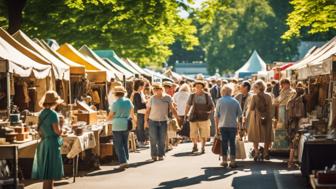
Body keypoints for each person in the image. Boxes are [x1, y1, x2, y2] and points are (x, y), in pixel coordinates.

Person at [32, 91, 64, 189]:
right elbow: (57, 132)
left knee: (47, 174)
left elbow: (40, 132)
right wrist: (62, 125)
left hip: (43, 144)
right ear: (54, 102)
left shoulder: (41, 114)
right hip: (52, 144)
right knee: (51, 173)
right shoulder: (53, 114)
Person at [145, 83, 179, 161]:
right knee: (153, 139)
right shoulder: (152, 98)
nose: (155, 91)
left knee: (162, 139)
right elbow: (147, 111)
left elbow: (172, 108)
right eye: (154, 89)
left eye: (157, 89)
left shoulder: (168, 97)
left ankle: (161, 154)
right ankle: (154, 155)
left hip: (163, 121)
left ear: (161, 89)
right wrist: (145, 122)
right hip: (152, 121)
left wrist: (177, 117)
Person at [107, 86, 135, 169]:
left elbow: (110, 116)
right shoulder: (128, 101)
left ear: (116, 94)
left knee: (119, 144)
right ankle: (126, 159)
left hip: (117, 124)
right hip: (126, 122)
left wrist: (107, 119)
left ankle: (123, 162)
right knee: (125, 143)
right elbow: (132, 112)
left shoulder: (115, 103)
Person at [215, 85, 242, 168]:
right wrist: (240, 127)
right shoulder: (235, 101)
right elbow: (240, 115)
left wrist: (217, 127)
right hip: (233, 125)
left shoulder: (219, 101)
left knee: (224, 143)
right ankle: (233, 162)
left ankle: (224, 161)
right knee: (232, 143)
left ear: (222, 92)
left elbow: (216, 116)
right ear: (231, 92)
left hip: (222, 125)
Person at [184, 80, 214, 154]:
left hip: (204, 117)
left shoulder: (207, 95)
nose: (198, 87)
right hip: (194, 116)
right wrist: (185, 115)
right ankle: (195, 145)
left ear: (203, 87)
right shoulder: (192, 95)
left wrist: (209, 112)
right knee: (193, 133)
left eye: (200, 86)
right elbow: (188, 106)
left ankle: (203, 147)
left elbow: (212, 107)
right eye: (196, 86)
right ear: (194, 87)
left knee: (204, 133)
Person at [248, 80, 274, 161]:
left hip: (256, 118)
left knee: (255, 136)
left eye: (254, 87)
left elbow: (251, 108)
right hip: (267, 118)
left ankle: (256, 152)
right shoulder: (269, 96)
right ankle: (266, 152)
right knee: (267, 135)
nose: (253, 89)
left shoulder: (254, 97)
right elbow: (271, 108)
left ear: (257, 88)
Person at [132, 79, 148, 147]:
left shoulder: (141, 93)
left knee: (142, 127)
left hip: (143, 112)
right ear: (138, 86)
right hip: (140, 112)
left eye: (143, 85)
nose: (143, 87)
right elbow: (138, 105)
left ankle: (142, 141)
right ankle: (140, 141)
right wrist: (146, 102)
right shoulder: (136, 94)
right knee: (140, 127)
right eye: (142, 85)